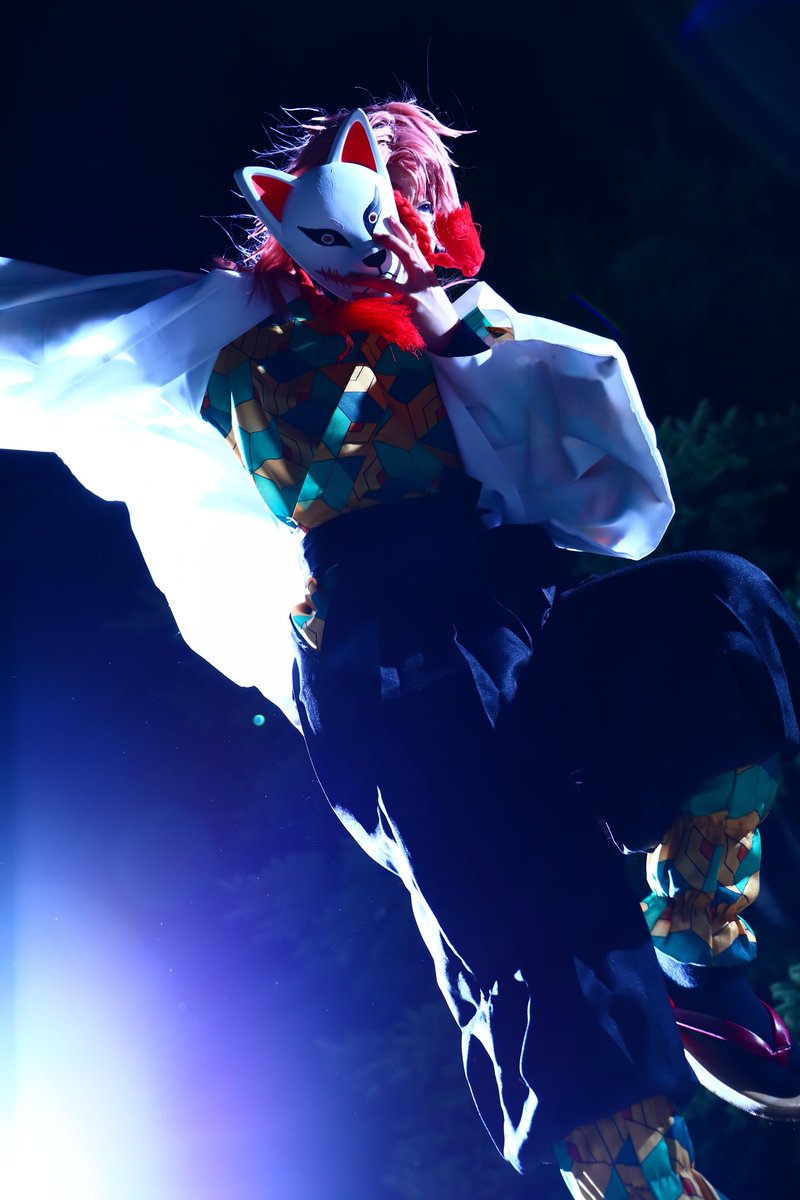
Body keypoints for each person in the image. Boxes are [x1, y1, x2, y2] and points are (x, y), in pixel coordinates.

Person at [2, 98, 799, 1200]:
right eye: (380, 202)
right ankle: (641, 1182)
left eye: (418, 204)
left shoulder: (461, 326)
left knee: (718, 611)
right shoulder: (217, 326)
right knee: (537, 934)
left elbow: (621, 512)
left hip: (523, 624)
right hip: (387, 667)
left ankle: (700, 946)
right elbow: (37, 340)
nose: (395, 234)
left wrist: (462, 336)